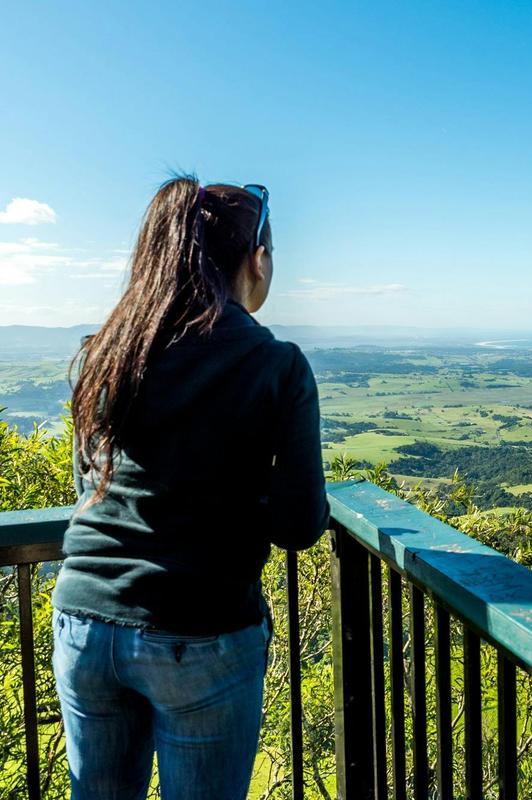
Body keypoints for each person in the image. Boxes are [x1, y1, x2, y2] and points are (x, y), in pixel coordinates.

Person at [51, 176, 329, 799]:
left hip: (83, 619)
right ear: (257, 259)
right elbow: (298, 525)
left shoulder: (109, 351)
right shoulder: (276, 364)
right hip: (199, 629)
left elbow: (89, 485)